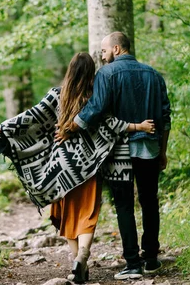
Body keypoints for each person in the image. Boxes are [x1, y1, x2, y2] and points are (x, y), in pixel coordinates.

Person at [0, 52, 155, 283]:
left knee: (67, 215)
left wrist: (3, 127)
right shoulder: (95, 99)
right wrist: (139, 126)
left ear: (69, 71)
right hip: (88, 168)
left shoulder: (57, 95)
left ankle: (78, 264)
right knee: (87, 214)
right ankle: (82, 256)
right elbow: (112, 125)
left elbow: (31, 116)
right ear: (90, 73)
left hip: (61, 168)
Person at [56, 32, 171, 280]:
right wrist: (163, 151)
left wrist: (70, 127)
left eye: (104, 50)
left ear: (117, 49)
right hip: (149, 147)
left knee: (124, 205)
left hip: (119, 150)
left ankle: (132, 263)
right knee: (150, 201)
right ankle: (151, 258)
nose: (102, 55)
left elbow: (96, 109)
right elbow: (165, 117)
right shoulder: (153, 74)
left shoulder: (106, 75)